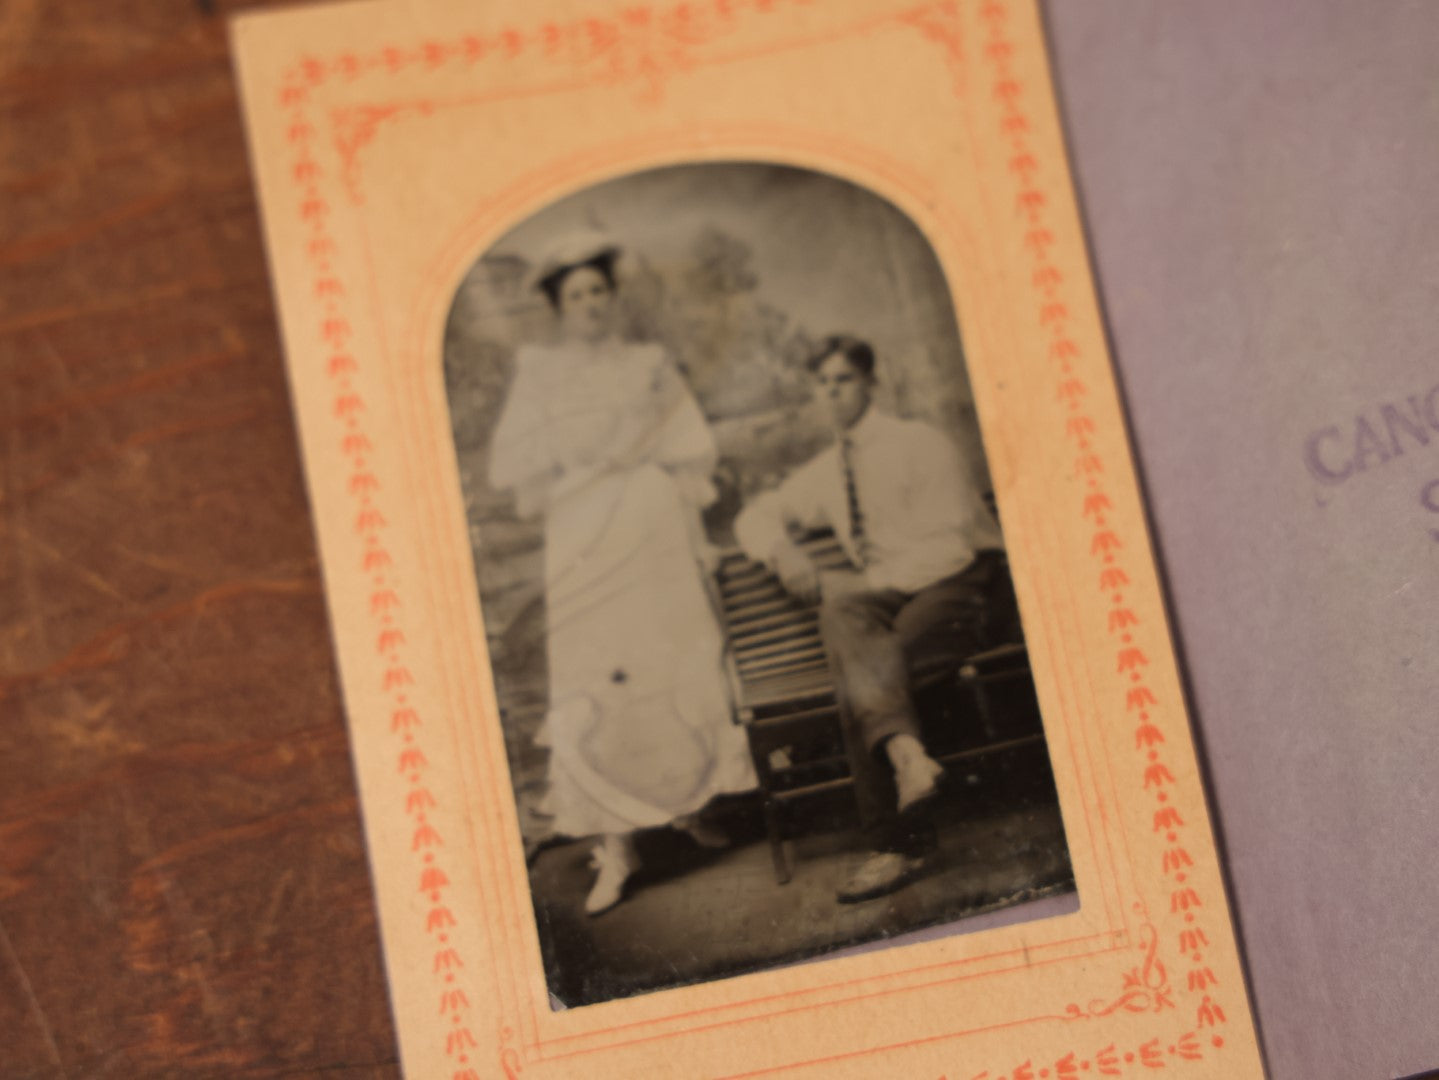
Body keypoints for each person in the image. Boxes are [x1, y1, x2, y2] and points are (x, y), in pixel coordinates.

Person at [487, 232, 755, 915]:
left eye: (598, 291)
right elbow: (516, 463)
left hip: (652, 524)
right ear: (558, 306)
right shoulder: (541, 372)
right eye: (575, 295)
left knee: (668, 663)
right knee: (598, 674)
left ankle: (686, 803)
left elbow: (689, 447)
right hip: (584, 531)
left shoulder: (648, 363)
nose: (590, 304)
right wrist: (575, 451)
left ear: (613, 297)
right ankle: (617, 848)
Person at [734, 335, 1019, 903]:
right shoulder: (826, 469)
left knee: (862, 673)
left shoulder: (921, 444)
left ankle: (896, 847)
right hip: (895, 595)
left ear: (870, 384)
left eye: (843, 380)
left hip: (965, 586)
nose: (832, 392)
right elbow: (756, 515)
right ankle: (909, 759)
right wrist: (781, 551)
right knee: (845, 620)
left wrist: (866, 585)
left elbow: (953, 548)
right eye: (823, 383)